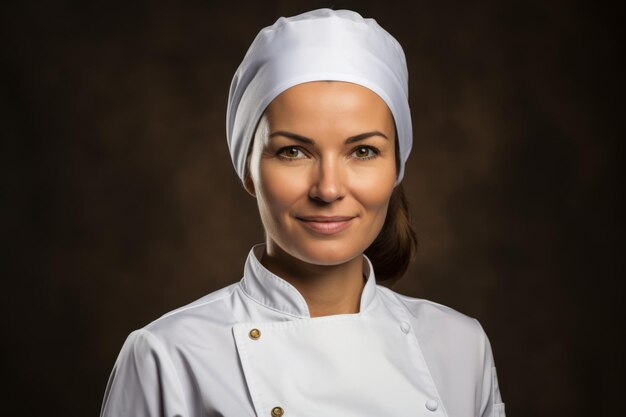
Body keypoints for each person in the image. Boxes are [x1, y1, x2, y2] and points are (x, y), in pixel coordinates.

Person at [100, 8, 505, 417]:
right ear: (249, 170)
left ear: (396, 168)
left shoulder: (461, 347)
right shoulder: (167, 357)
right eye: (293, 151)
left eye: (363, 151)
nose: (328, 188)